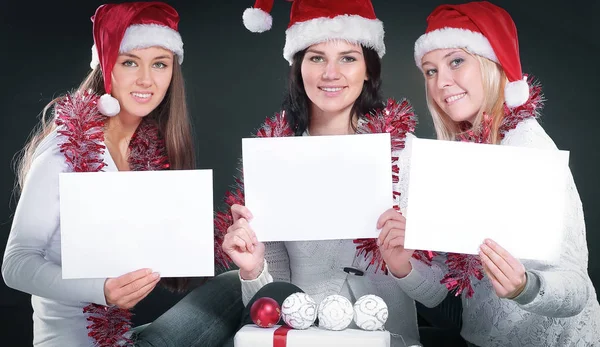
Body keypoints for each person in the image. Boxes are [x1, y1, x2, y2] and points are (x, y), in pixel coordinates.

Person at [2, 2, 243, 346]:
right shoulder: (66, 148)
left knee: (241, 283)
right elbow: (16, 264)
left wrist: (224, 241)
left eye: (160, 64)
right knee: (236, 290)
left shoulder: (144, 152)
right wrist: (101, 289)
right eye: (130, 62)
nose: (146, 79)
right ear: (106, 66)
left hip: (123, 338)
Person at [390, 2, 600, 346]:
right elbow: (442, 295)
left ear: (490, 64)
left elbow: (576, 287)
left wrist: (526, 287)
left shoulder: (528, 147)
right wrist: (404, 266)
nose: (441, 82)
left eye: (456, 61)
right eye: (430, 71)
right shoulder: (456, 159)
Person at [218, 1, 424, 346]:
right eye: (316, 58)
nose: (331, 73)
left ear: (368, 69)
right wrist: (252, 270)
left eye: (348, 57)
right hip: (303, 336)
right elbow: (269, 298)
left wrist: (404, 266)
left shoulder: (405, 152)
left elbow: (435, 295)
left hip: (391, 337)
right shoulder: (274, 158)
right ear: (299, 68)